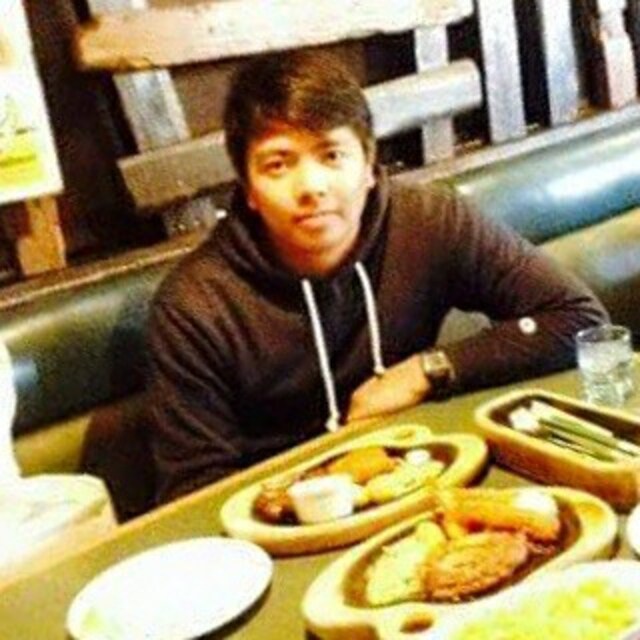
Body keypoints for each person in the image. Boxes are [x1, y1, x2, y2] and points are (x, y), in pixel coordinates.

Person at [147, 50, 607, 503]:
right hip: (283, 518)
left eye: (332, 155)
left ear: (369, 166)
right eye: (278, 165)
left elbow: (578, 318)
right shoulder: (196, 306)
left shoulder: (427, 221)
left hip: (422, 479)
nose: (311, 187)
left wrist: (427, 371)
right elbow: (193, 495)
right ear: (248, 189)